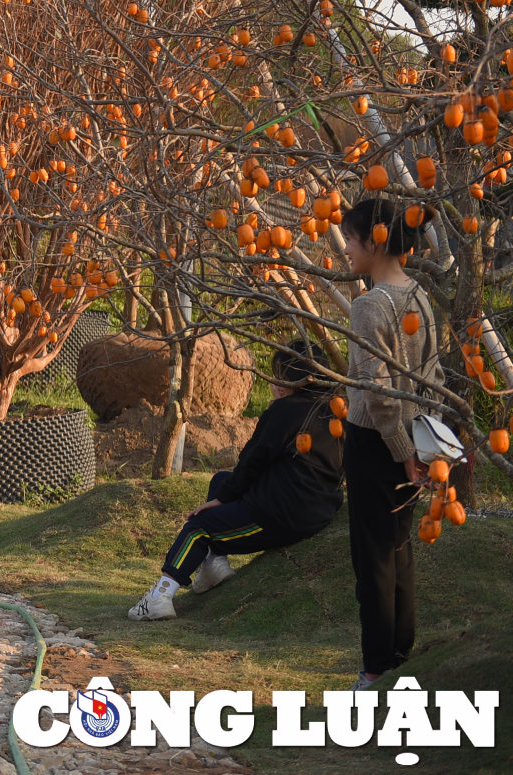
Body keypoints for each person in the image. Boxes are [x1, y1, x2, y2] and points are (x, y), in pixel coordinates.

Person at [126, 337, 344, 622]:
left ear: (291, 380)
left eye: (277, 376)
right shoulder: (337, 412)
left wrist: (224, 499)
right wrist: (224, 493)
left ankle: (160, 596)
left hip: (280, 514)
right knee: (219, 482)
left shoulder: (284, 412)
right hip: (318, 508)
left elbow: (252, 462)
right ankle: (213, 565)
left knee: (198, 528)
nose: (274, 382)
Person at [336, 197, 443, 691]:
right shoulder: (419, 294)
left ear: (374, 241)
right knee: (398, 550)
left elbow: (377, 395)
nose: (345, 250)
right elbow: (434, 375)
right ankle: (401, 655)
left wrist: (400, 450)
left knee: (373, 557)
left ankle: (375, 668)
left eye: (350, 240)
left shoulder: (368, 305)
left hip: (377, 442)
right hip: (414, 439)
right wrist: (423, 445)